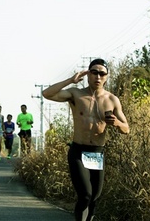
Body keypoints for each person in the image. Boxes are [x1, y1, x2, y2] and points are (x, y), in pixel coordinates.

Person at [42, 58, 129, 221]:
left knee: (94, 197)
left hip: (97, 153)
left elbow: (126, 128)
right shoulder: (76, 94)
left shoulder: (112, 100)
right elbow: (47, 94)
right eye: (94, 72)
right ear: (88, 74)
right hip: (78, 152)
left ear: (107, 76)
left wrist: (116, 123)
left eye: (102, 73)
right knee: (86, 195)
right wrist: (70, 80)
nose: (98, 77)